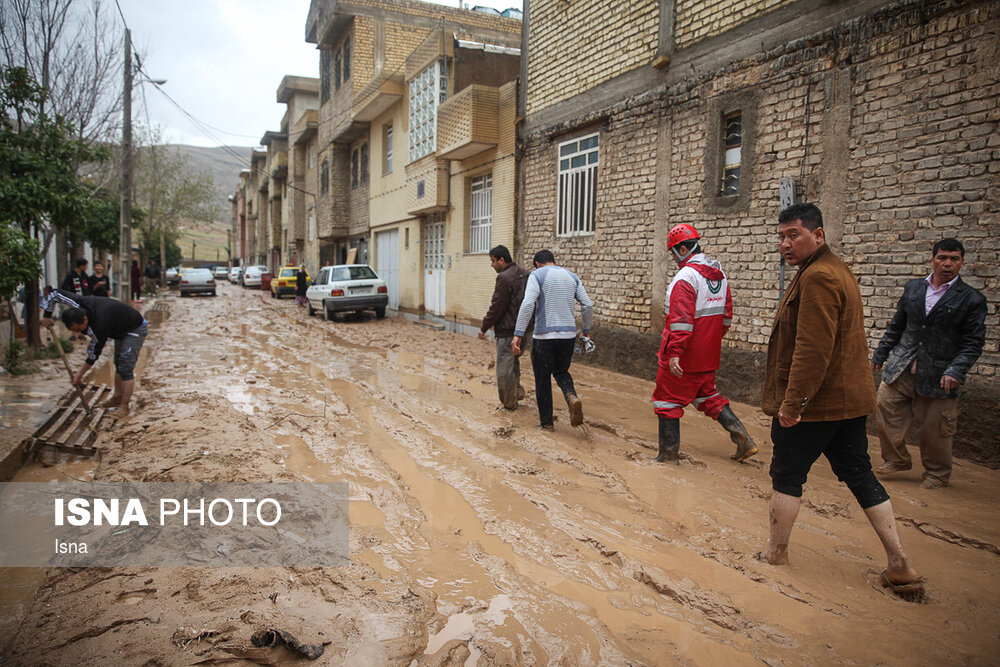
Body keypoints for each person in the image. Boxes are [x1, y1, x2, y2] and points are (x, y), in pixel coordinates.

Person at [759, 203, 919, 589]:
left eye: (793, 234)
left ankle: (775, 555)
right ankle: (899, 564)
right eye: (781, 236)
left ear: (818, 235)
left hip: (816, 405)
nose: (785, 243)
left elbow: (813, 350)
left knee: (787, 475)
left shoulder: (818, 277)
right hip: (845, 404)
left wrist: (792, 405)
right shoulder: (831, 269)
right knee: (860, 475)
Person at [871, 238, 987, 490]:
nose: (947, 264)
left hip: (939, 374)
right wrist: (880, 354)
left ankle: (936, 473)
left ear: (962, 263)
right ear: (932, 259)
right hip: (902, 366)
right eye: (943, 258)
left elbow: (973, 342)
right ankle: (897, 459)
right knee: (885, 407)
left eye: (954, 259)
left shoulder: (971, 299)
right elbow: (897, 326)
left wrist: (957, 369)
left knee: (936, 428)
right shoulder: (914, 289)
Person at [652, 224, 757, 463]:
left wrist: (675, 353)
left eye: (673, 253)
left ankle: (668, 458)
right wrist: (708, 342)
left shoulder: (685, 278)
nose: (673, 259)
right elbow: (727, 317)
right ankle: (743, 438)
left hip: (683, 356)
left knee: (666, 400)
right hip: (708, 355)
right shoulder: (720, 277)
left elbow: (680, 320)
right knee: (708, 396)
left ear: (682, 249)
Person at [512, 250, 593, 430]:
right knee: (562, 371)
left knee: (542, 378)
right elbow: (587, 304)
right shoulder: (572, 276)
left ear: (538, 264)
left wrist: (518, 333)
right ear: (553, 261)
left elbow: (528, 304)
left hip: (544, 337)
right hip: (568, 336)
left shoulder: (537, 275)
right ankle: (571, 395)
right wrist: (586, 331)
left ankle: (547, 424)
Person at [41, 288, 148, 416]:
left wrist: (79, 375)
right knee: (118, 363)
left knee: (126, 367)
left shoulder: (100, 325)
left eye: (78, 329)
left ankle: (124, 407)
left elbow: (93, 354)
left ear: (85, 320)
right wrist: (47, 316)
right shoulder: (79, 303)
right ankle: (117, 397)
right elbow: (55, 294)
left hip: (134, 329)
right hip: (119, 327)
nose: (78, 333)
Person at [479, 245, 530, 410]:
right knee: (514, 361)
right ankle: (517, 392)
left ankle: (509, 405)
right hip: (525, 330)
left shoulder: (504, 278)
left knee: (503, 367)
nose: (491, 265)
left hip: (508, 331)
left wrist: (484, 327)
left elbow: (497, 307)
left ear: (502, 260)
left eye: (493, 261)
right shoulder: (526, 274)